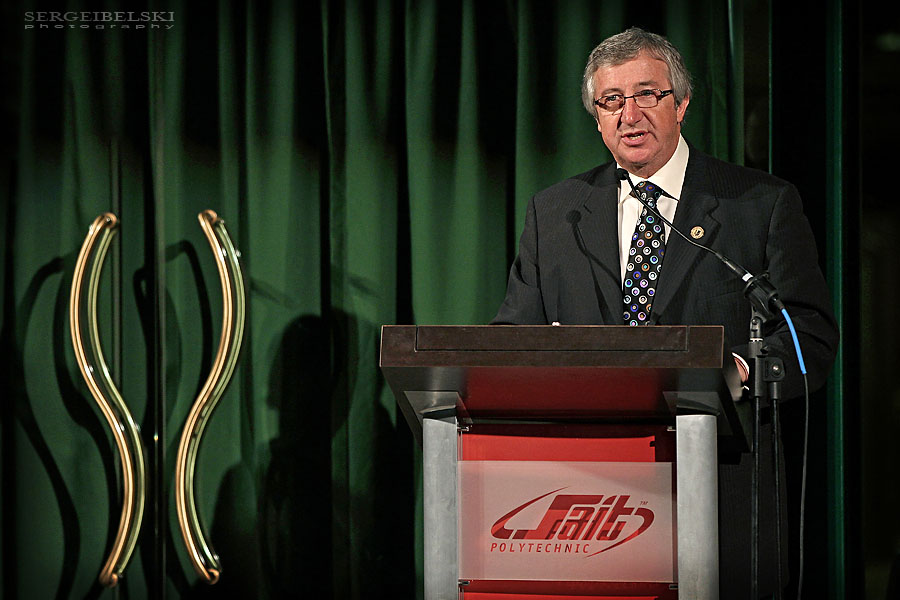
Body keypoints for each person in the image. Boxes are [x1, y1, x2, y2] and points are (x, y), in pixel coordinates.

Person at [492, 27, 839, 599]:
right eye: (611, 101)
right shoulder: (555, 214)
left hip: (722, 483)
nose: (629, 114)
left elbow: (810, 336)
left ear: (681, 103)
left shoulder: (759, 204)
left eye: (646, 94)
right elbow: (513, 339)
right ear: (598, 119)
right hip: (586, 492)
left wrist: (743, 370)